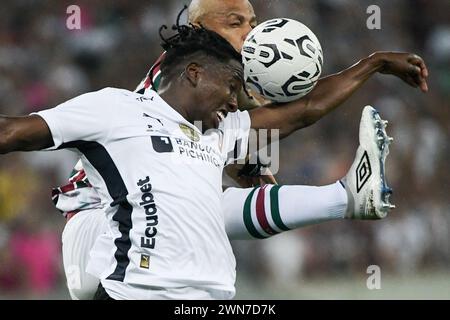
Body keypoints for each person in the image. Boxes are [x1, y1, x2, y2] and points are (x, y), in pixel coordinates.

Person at [1, 22, 428, 300]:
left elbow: (305, 109)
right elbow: (12, 131)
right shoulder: (116, 108)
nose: (233, 99)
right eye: (230, 86)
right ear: (195, 73)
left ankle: (347, 198)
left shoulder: (218, 133)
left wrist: (374, 64)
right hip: (137, 292)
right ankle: (345, 198)